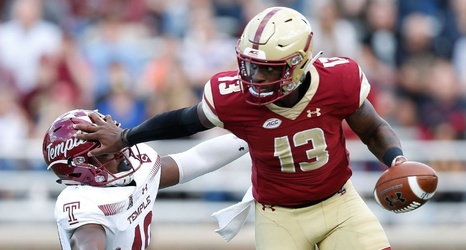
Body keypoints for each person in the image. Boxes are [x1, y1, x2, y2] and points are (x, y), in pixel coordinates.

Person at [75, 6, 408, 250]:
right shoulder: (233, 97)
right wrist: (124, 137)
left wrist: (397, 161)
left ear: (298, 65)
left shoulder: (339, 81)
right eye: (249, 66)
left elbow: (373, 128)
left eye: (266, 70)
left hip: (340, 205)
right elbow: (183, 120)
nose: (253, 78)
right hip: (280, 218)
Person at [42, 109, 249, 250]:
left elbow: (198, 159)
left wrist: (252, 135)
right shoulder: (82, 203)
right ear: (80, 166)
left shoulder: (138, 166)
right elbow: (87, 241)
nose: (120, 150)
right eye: (105, 149)